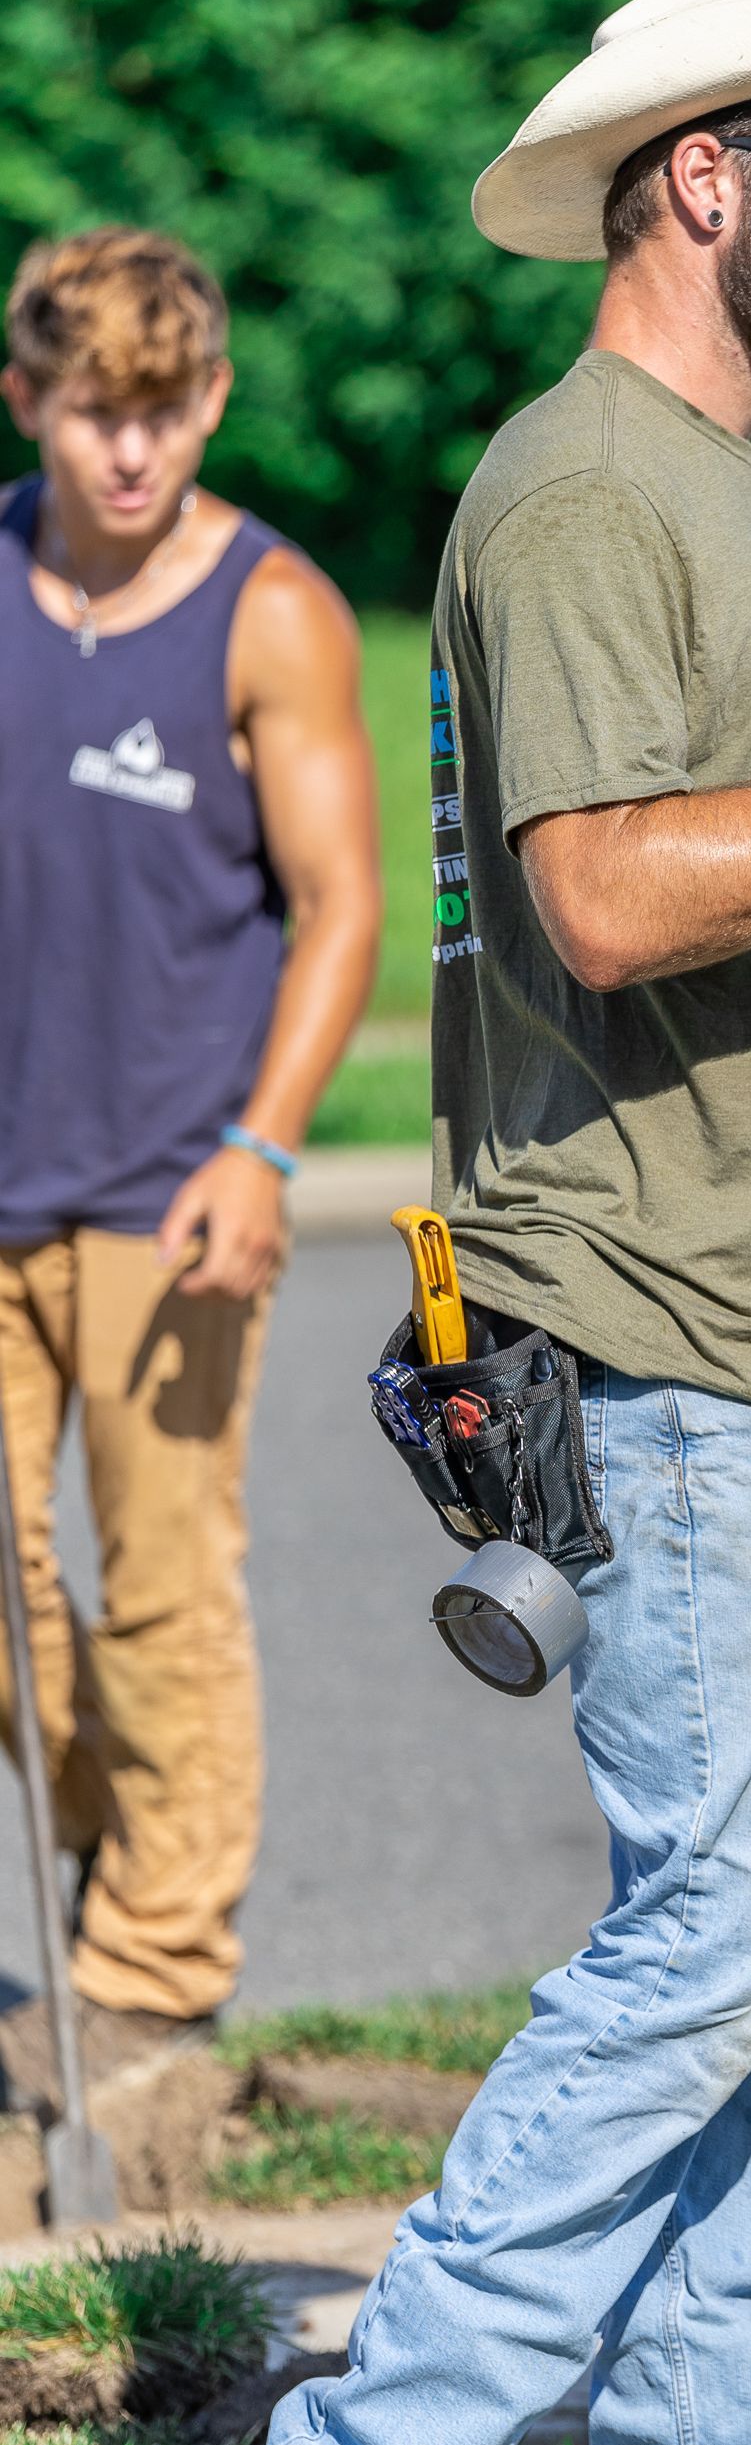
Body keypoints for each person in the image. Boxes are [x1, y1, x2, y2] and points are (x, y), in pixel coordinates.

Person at [255, 0, 751, 2445]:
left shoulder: (700, 481)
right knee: (717, 1935)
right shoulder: (592, 486)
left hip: (749, 1321)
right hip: (653, 1332)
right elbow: (602, 898)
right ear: (704, 179)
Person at [0, 228, 381, 2082]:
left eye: (164, 411)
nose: (133, 450)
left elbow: (341, 907)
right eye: (97, 414)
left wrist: (261, 1147)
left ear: (213, 398)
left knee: (160, 1591)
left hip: (172, 1187)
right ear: (29, 402)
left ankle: (154, 1973)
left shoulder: (270, 610)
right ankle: (114, 1847)